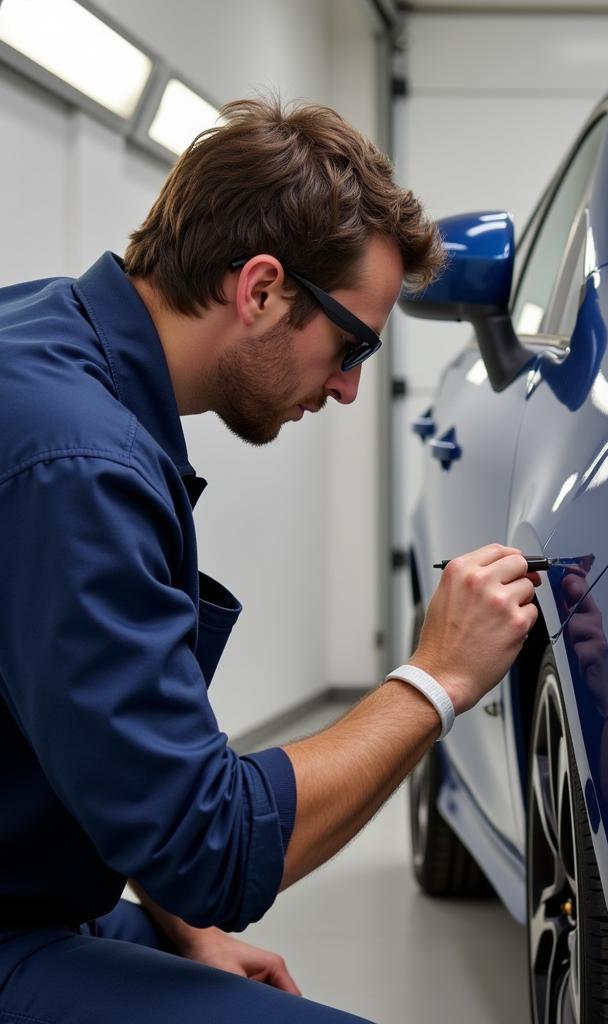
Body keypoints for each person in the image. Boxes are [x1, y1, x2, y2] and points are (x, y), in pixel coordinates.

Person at [0, 99, 540, 1022]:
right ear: (260, 289)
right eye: (352, 344)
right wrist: (435, 680)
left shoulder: (49, 343)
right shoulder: (78, 464)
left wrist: (189, 934)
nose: (347, 387)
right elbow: (210, 846)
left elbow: (100, 751)